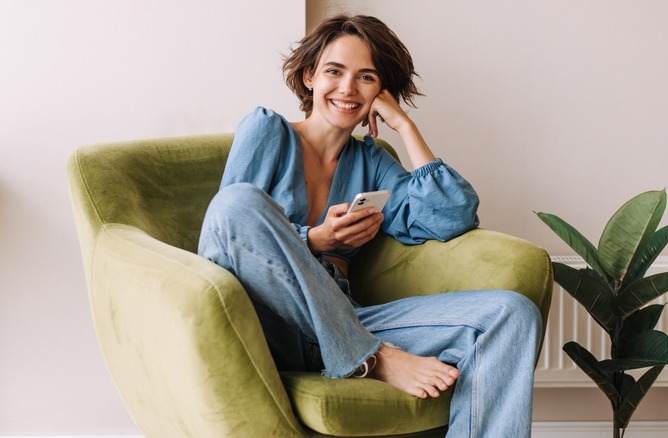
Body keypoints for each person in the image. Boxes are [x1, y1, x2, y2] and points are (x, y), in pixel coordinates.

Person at [198, 14, 541, 437]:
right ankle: (372, 359)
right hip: (272, 324)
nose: (347, 88)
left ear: (381, 91)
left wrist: (404, 126)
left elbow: (453, 216)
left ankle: (357, 349)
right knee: (238, 202)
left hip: (347, 316)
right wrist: (316, 239)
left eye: (366, 77)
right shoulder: (267, 131)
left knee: (512, 313)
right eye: (334, 71)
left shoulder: (373, 161)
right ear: (309, 77)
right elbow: (227, 236)